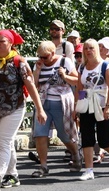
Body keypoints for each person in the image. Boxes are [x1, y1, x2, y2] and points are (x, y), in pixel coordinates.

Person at [0, 29, 47, 191]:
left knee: (3, 140)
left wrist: (40, 109)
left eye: (3, 41)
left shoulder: (18, 61)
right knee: (6, 142)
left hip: (15, 108)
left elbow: (30, 85)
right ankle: (12, 175)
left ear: (10, 44)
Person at [70, 39, 109, 180]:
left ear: (97, 50)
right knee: (87, 137)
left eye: (91, 48)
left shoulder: (106, 66)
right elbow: (80, 88)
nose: (88, 51)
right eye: (86, 48)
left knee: (104, 140)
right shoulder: (82, 67)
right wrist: (76, 106)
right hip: (87, 103)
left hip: (101, 103)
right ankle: (89, 170)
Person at [31, 41, 81, 176]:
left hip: (61, 103)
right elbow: (33, 85)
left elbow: (77, 81)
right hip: (43, 103)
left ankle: (75, 153)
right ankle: (43, 166)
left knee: (64, 134)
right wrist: (37, 70)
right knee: (40, 134)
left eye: (45, 57)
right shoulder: (39, 65)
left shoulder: (65, 62)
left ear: (53, 53)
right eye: (39, 56)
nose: (42, 59)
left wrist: (64, 76)